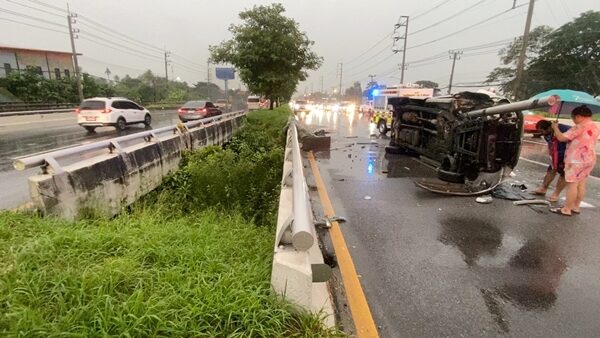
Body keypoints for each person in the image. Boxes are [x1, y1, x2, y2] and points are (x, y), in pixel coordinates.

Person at [550, 105, 599, 216]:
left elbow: (562, 138)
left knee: (572, 185)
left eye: (573, 118)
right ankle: (576, 207)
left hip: (576, 160)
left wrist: (555, 128)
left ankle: (567, 209)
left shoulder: (579, 127)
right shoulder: (595, 126)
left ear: (578, 116)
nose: (573, 121)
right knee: (581, 184)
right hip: (589, 158)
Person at [532, 120, 570, 202]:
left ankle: (556, 194)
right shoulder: (547, 134)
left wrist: (556, 129)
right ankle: (543, 188)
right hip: (556, 155)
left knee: (564, 174)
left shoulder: (564, 128)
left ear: (549, 127)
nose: (542, 133)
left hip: (567, 154)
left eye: (542, 131)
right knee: (551, 170)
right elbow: (550, 144)